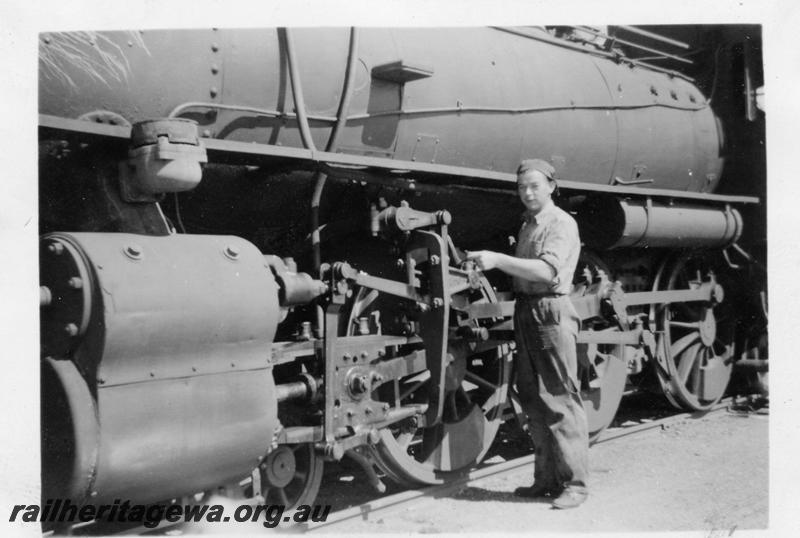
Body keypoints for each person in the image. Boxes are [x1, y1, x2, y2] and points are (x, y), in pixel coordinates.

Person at [466, 159, 588, 509]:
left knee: (560, 397)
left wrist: (498, 260)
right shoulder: (528, 224)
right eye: (522, 187)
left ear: (551, 186)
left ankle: (576, 484)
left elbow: (548, 271)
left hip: (550, 309)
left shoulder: (561, 223)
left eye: (534, 185)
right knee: (532, 396)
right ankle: (546, 479)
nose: (528, 193)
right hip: (527, 309)